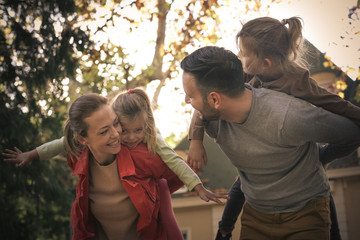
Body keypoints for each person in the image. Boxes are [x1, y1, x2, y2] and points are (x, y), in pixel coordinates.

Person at [186, 16, 360, 240]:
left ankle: (321, 160)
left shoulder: (299, 83)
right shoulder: (248, 70)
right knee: (243, 182)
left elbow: (334, 103)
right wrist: (196, 140)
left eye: (243, 54)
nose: (240, 58)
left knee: (317, 181)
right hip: (259, 161)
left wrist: (327, 151)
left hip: (296, 151)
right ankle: (225, 229)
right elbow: (205, 99)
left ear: (265, 62)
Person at [3, 92, 227, 240]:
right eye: (104, 131)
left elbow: (174, 166)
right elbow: (59, 144)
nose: (118, 135)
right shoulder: (79, 156)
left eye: (115, 124)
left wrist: (196, 184)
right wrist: (30, 155)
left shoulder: (145, 151)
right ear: (83, 139)